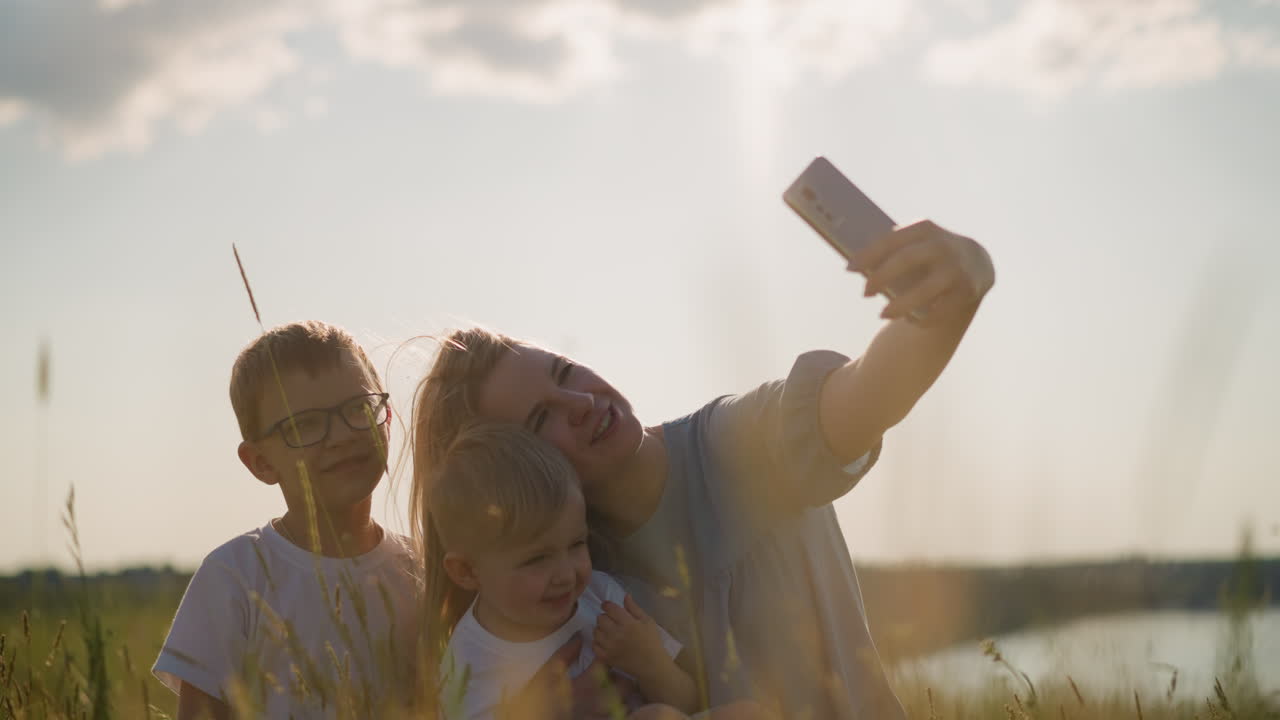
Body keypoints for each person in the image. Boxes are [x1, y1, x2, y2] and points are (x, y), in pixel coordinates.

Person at [408, 221, 994, 719]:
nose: (581, 402)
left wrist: (947, 300)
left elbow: (864, 397)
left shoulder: (734, 443)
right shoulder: (565, 588)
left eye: (565, 370)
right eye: (541, 420)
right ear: (512, 473)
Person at [153, 321, 420, 720]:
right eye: (305, 425)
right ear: (260, 462)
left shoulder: (422, 570)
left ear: (388, 419)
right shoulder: (236, 578)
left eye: (358, 409)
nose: (342, 434)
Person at [429, 421, 726, 720]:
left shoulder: (601, 596)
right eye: (536, 559)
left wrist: (651, 663)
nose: (566, 574)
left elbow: (691, 702)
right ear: (466, 570)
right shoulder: (467, 663)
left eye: (576, 545)